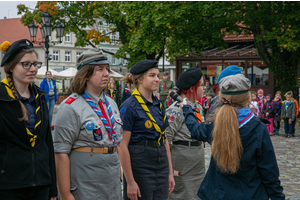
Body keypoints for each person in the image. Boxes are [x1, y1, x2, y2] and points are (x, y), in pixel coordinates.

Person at [180, 65, 285, 199]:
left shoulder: (216, 125)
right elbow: (269, 171)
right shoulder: (258, 128)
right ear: (247, 97)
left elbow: (195, 130)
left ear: (221, 96)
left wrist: (187, 110)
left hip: (219, 195)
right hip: (250, 194)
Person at [53, 48, 123, 200]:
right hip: (87, 183)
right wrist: (65, 194)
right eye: (100, 69)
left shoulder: (111, 103)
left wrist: (119, 177)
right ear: (85, 75)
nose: (106, 74)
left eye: (107, 69)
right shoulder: (70, 106)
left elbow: (115, 144)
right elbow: (60, 153)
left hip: (111, 182)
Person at [0, 39, 57, 199]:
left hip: (40, 184)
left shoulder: (40, 97)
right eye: (26, 64)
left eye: (35, 64)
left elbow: (47, 143)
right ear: (11, 67)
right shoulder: (2, 97)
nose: (33, 69)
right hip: (9, 186)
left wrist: (52, 187)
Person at [118, 60, 175, 200]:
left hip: (160, 164)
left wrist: (169, 173)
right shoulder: (129, 106)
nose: (157, 79)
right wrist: (130, 182)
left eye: (157, 75)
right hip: (140, 165)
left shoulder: (159, 105)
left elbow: (165, 140)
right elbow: (122, 146)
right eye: (152, 75)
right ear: (139, 79)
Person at [165, 67, 205, 200]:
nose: (204, 88)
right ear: (192, 88)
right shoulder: (176, 109)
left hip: (197, 161)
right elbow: (166, 138)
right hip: (183, 161)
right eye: (202, 85)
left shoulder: (197, 107)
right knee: (183, 195)